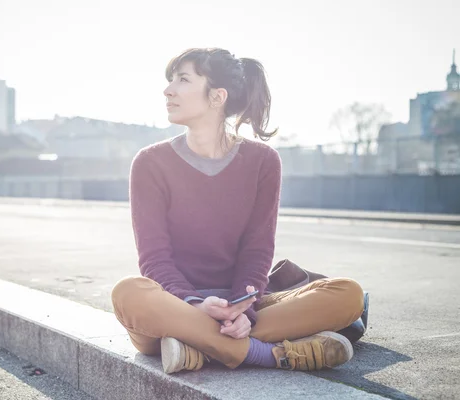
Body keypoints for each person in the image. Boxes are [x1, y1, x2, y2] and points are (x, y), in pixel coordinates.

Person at [111, 48, 365, 374]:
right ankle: (270, 355)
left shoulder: (263, 162)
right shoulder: (150, 163)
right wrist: (196, 305)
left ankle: (196, 348)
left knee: (347, 294)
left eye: (182, 80)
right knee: (129, 293)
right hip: (174, 306)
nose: (168, 89)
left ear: (217, 97)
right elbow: (154, 259)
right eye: (170, 80)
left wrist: (244, 310)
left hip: (241, 307)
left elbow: (257, 250)